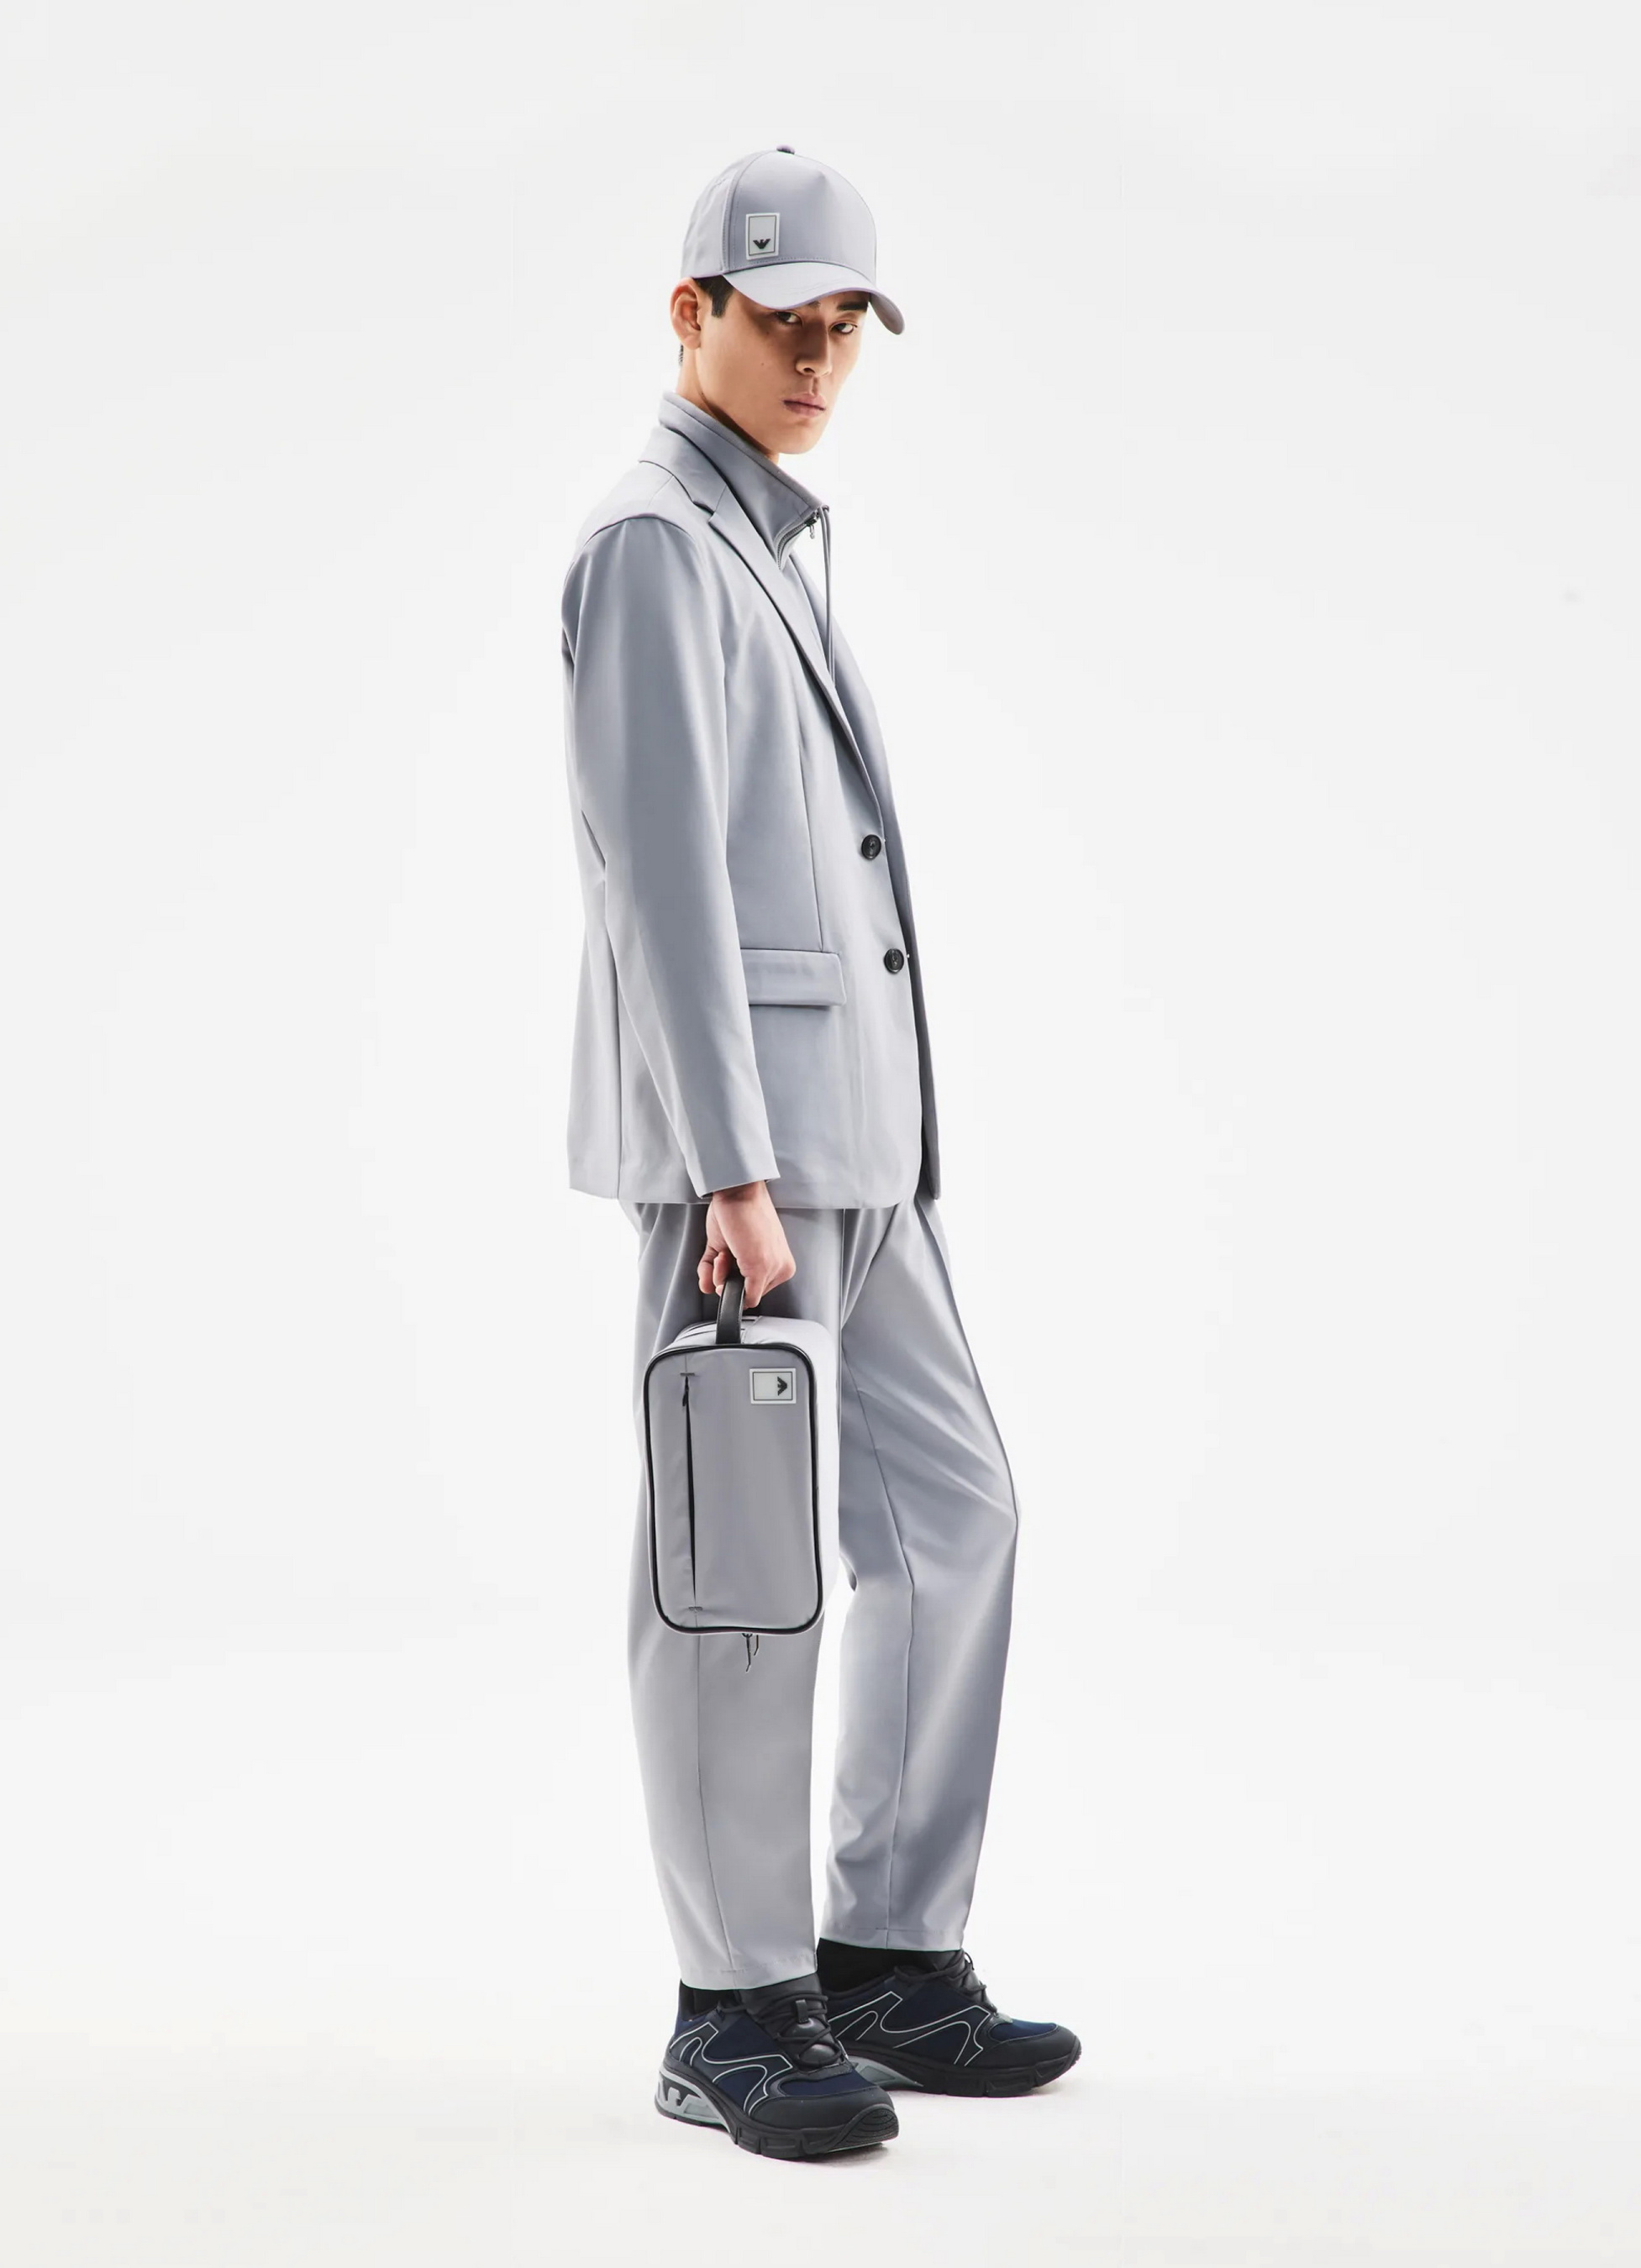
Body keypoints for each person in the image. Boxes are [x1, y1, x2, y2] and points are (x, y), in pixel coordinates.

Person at [559, 147, 1079, 2159]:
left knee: (958, 1522)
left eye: (845, 326)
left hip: (866, 1160)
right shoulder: (652, 546)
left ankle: (881, 1955)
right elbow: (660, 888)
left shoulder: (765, 540)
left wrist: (889, 1144)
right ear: (689, 315)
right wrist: (727, 1167)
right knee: (738, 1582)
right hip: (752, 1172)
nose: (816, 359)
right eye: (781, 322)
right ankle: (732, 2007)